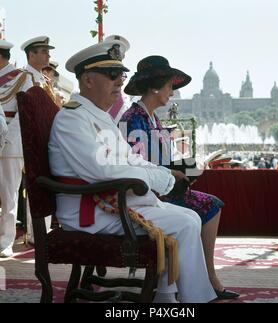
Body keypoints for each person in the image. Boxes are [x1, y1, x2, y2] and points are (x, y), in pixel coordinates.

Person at [48, 35, 217, 303]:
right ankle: (191, 301)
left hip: (109, 201)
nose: (120, 81)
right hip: (90, 210)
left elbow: (131, 159)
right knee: (185, 223)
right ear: (88, 79)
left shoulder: (98, 116)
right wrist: (159, 180)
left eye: (121, 74)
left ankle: (166, 295)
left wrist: (164, 176)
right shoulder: (73, 118)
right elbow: (103, 171)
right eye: (112, 73)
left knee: (191, 219)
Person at [120, 55, 239, 299]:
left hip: (162, 186)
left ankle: (206, 276)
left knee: (212, 204)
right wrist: (179, 173)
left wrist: (189, 168)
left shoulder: (150, 117)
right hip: (149, 195)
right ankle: (208, 278)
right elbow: (139, 165)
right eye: (169, 86)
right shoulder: (134, 119)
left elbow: (158, 159)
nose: (172, 93)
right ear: (155, 87)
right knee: (211, 205)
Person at [0, 39, 34, 258]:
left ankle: (5, 240)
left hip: (10, 142)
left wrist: (6, 140)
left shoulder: (22, 77)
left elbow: (26, 112)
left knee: (8, 195)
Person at [21, 36, 55, 244]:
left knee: (44, 186)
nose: (48, 54)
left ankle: (43, 232)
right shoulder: (23, 78)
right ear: (31, 54)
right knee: (32, 187)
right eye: (43, 51)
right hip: (26, 141)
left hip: (45, 141)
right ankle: (34, 235)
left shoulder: (43, 79)